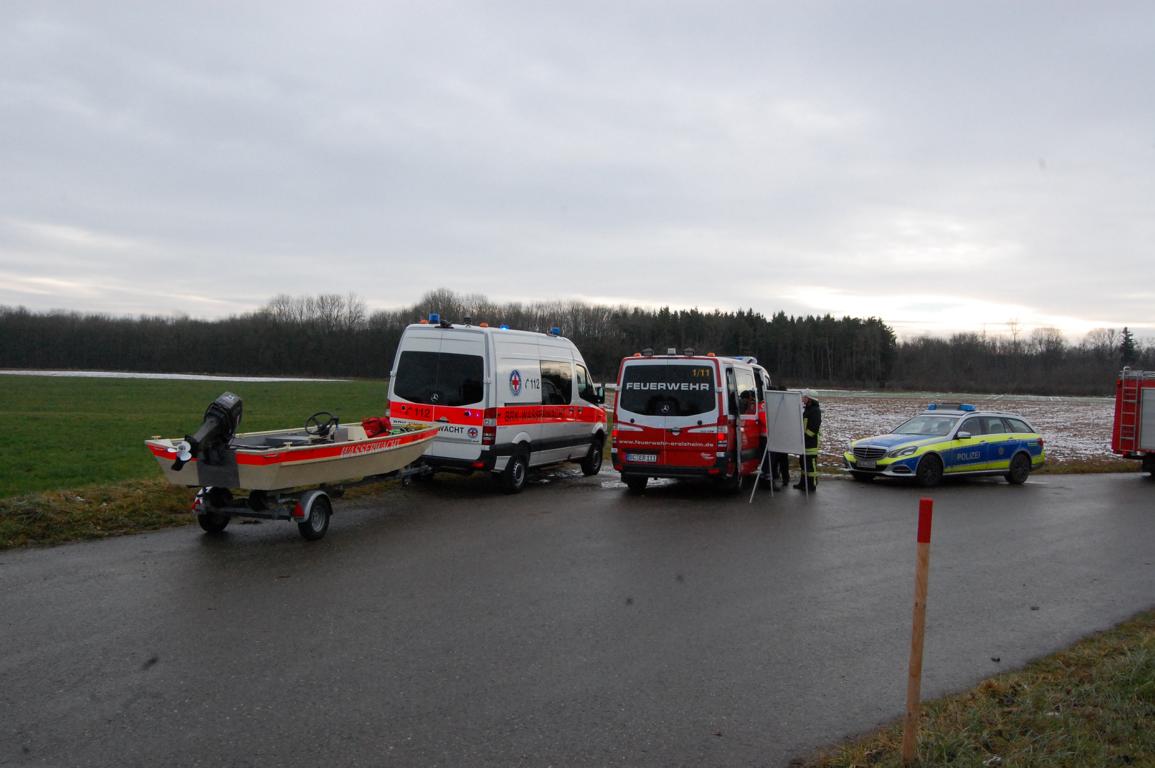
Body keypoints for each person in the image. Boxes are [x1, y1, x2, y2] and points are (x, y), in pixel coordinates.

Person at [795, 390, 821, 491]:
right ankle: (803, 483)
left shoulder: (815, 411)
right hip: (804, 442)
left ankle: (811, 485)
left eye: (805, 397)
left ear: (810, 399)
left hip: (811, 443)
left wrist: (804, 437)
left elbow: (813, 429)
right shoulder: (808, 409)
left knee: (810, 465)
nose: (803, 399)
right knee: (803, 463)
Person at [767, 385, 791, 489]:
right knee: (782, 459)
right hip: (782, 435)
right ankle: (784, 478)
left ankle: (776, 476)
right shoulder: (786, 404)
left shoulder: (773, 404)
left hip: (776, 435)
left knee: (776, 458)